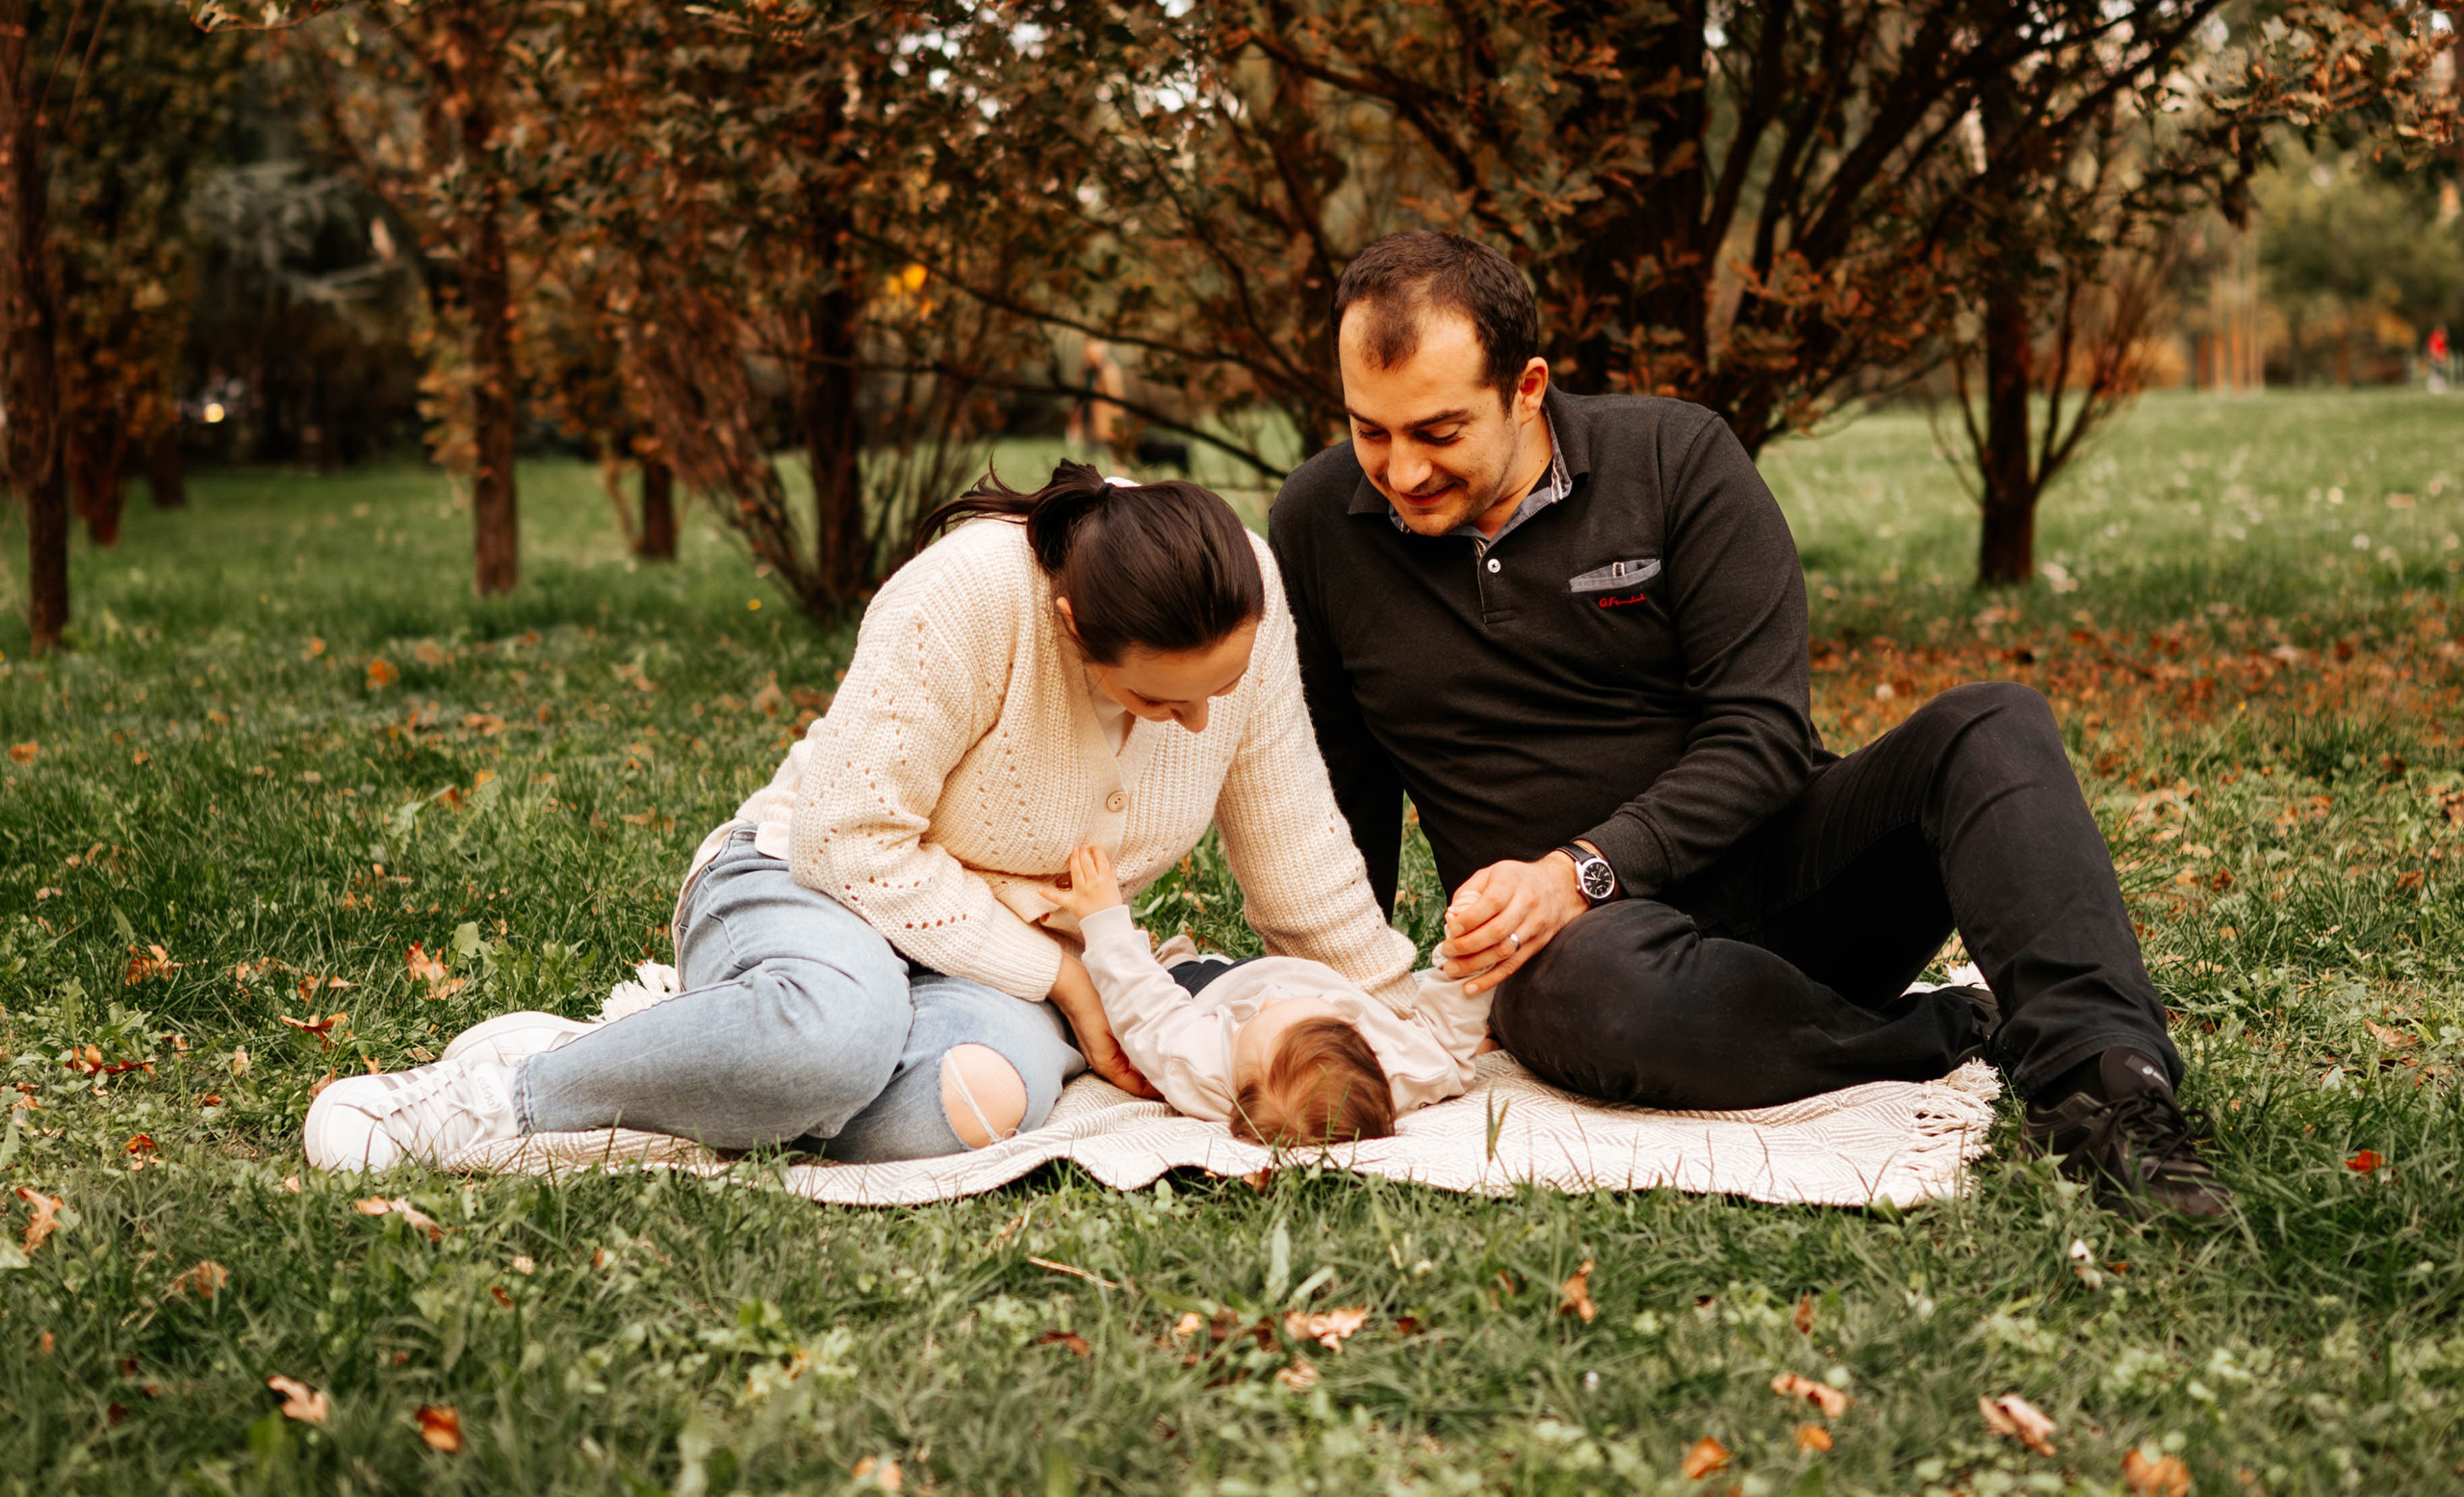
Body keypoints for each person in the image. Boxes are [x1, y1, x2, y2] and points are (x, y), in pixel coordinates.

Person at [1268, 230, 2229, 1218]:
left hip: (1793, 888)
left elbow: (1763, 736)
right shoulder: (1315, 522)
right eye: (1367, 431)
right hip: (1586, 968)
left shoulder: (1676, 460)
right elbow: (1339, 786)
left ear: (1527, 388)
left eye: (1436, 431)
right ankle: (1932, 1033)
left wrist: (1580, 869)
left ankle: (2107, 1095)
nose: (1400, 470)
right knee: (1584, 991)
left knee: (1993, 722)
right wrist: (1325, 1006)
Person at [304, 463, 1418, 1173]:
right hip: (803, 883)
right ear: (1077, 627)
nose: (1193, 724)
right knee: (837, 1033)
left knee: (971, 1105)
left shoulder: (1244, 607)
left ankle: (702, 1068)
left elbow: (1297, 856)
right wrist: (1069, 975)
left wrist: (1402, 1018)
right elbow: (847, 837)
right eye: (1157, 697)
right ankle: (512, 1089)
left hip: (988, 960)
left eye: (1212, 698)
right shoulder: (974, 595)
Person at [1039, 843, 1492, 1145]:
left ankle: (1175, 959)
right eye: (1288, 1012)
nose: (1271, 999)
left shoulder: (1200, 1066)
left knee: (1164, 980)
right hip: (1292, 974)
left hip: (1206, 994)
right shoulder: (1403, 1069)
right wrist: (1466, 953)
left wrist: (1104, 919)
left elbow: (1147, 1011)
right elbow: (1448, 1043)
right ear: (1360, 1043)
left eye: (1256, 1021)